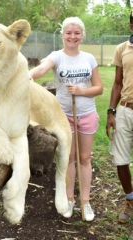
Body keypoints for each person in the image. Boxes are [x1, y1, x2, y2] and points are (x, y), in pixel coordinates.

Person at [29, 16, 103, 221]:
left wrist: (81, 90)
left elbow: (99, 88)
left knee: (85, 158)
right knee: (68, 158)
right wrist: (28, 76)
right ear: (63, 35)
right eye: (68, 33)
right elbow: (42, 69)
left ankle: (85, 202)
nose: (73, 36)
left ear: (82, 35)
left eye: (77, 33)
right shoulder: (57, 56)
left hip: (87, 114)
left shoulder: (89, 58)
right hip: (63, 116)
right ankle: (69, 199)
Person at [106, 10, 133, 227]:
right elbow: (117, 83)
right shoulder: (122, 49)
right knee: (121, 159)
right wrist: (111, 112)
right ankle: (131, 200)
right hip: (125, 110)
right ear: (131, 26)